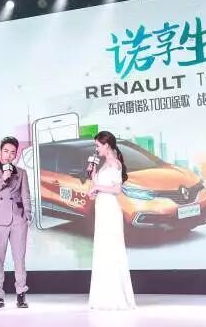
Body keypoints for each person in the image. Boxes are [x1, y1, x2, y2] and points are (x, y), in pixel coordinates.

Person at [87, 131, 136, 310]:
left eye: (98, 146)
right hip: (102, 208)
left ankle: (115, 297)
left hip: (110, 210)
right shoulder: (104, 164)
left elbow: (116, 189)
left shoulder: (115, 163)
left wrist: (98, 187)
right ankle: (103, 297)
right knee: (103, 250)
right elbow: (98, 186)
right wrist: (93, 173)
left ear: (106, 145)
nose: (96, 149)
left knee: (111, 249)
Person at [0, 136, 32, 309]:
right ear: (0, 152)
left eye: (12, 152)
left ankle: (21, 294)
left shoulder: (21, 173)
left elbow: (26, 195)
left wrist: (28, 215)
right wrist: (3, 179)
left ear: (16, 155)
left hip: (18, 219)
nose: (8, 155)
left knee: (19, 258)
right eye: (6, 151)